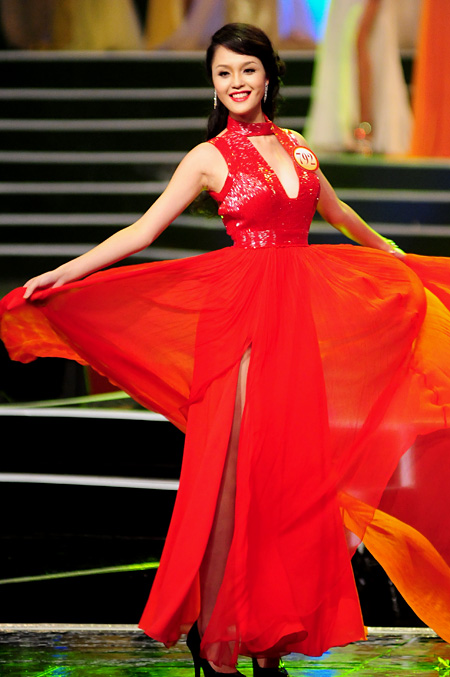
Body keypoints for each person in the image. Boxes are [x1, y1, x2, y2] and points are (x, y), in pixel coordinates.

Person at [2, 22, 450, 676]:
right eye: (223, 73)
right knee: (233, 479)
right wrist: (66, 272)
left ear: (269, 76)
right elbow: (142, 231)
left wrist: (394, 254)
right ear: (212, 83)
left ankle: (268, 636)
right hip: (238, 323)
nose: (236, 83)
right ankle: (215, 632)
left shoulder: (299, 149)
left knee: (286, 482)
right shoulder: (207, 157)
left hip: (296, 327)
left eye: (247, 70)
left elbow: (339, 214)